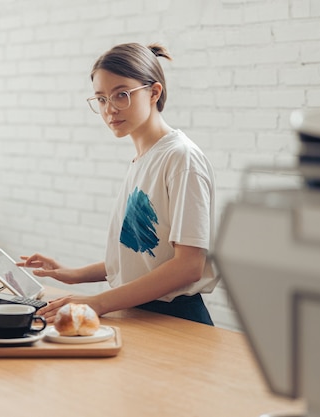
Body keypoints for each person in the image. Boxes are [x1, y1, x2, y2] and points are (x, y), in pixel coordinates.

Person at [18, 42, 219, 325]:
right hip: (138, 313)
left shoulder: (180, 158)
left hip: (175, 320)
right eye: (100, 99)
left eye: (121, 95)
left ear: (154, 92)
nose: (110, 109)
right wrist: (73, 274)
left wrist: (98, 303)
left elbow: (188, 266)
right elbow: (143, 259)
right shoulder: (143, 159)